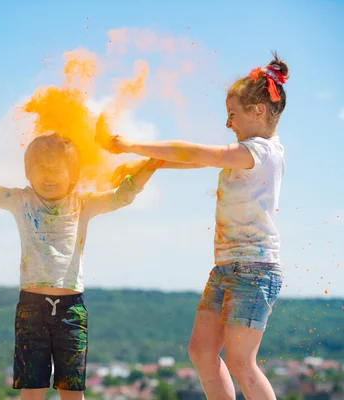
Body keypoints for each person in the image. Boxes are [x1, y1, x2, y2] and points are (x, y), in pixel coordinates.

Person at [97, 53, 289, 399]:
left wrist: (129, 146)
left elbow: (198, 154)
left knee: (241, 361)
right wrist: (147, 164)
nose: (228, 123)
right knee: (201, 352)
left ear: (258, 111)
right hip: (227, 267)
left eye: (232, 114)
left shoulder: (261, 153)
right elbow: (196, 161)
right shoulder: (247, 154)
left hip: (255, 270)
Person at [0, 126, 162, 400]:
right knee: (32, 389)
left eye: (57, 169)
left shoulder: (83, 203)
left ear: (73, 174)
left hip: (72, 312)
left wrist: (152, 163)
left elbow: (123, 194)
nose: (49, 176)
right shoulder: (22, 200)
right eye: (42, 168)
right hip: (31, 309)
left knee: (71, 391)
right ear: (28, 173)